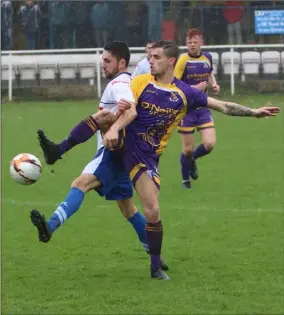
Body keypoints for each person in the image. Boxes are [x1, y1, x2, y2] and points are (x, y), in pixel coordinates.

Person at [33, 40, 279, 280]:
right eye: (150, 57)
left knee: (149, 209)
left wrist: (253, 112)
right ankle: (59, 151)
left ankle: (155, 266)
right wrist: (115, 128)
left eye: (156, 57)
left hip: (145, 157)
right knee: (105, 118)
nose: (150, 61)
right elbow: (129, 110)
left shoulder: (185, 93)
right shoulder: (140, 82)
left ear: (171, 61)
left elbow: (223, 106)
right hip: (123, 145)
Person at [30, 41, 169, 274]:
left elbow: (131, 108)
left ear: (121, 63)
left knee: (80, 183)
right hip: (128, 154)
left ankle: (50, 225)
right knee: (128, 209)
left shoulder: (120, 83)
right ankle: (155, 256)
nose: (102, 64)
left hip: (113, 152)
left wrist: (116, 124)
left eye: (107, 61)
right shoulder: (129, 81)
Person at [174, 28, 220, 189]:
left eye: (195, 42)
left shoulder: (207, 57)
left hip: (203, 107)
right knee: (187, 149)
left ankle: (192, 159)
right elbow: (175, 85)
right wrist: (194, 87)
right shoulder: (182, 60)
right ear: (186, 44)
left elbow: (209, 73)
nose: (192, 45)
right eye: (189, 42)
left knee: (209, 144)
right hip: (186, 110)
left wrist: (213, 83)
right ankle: (185, 180)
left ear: (201, 42)